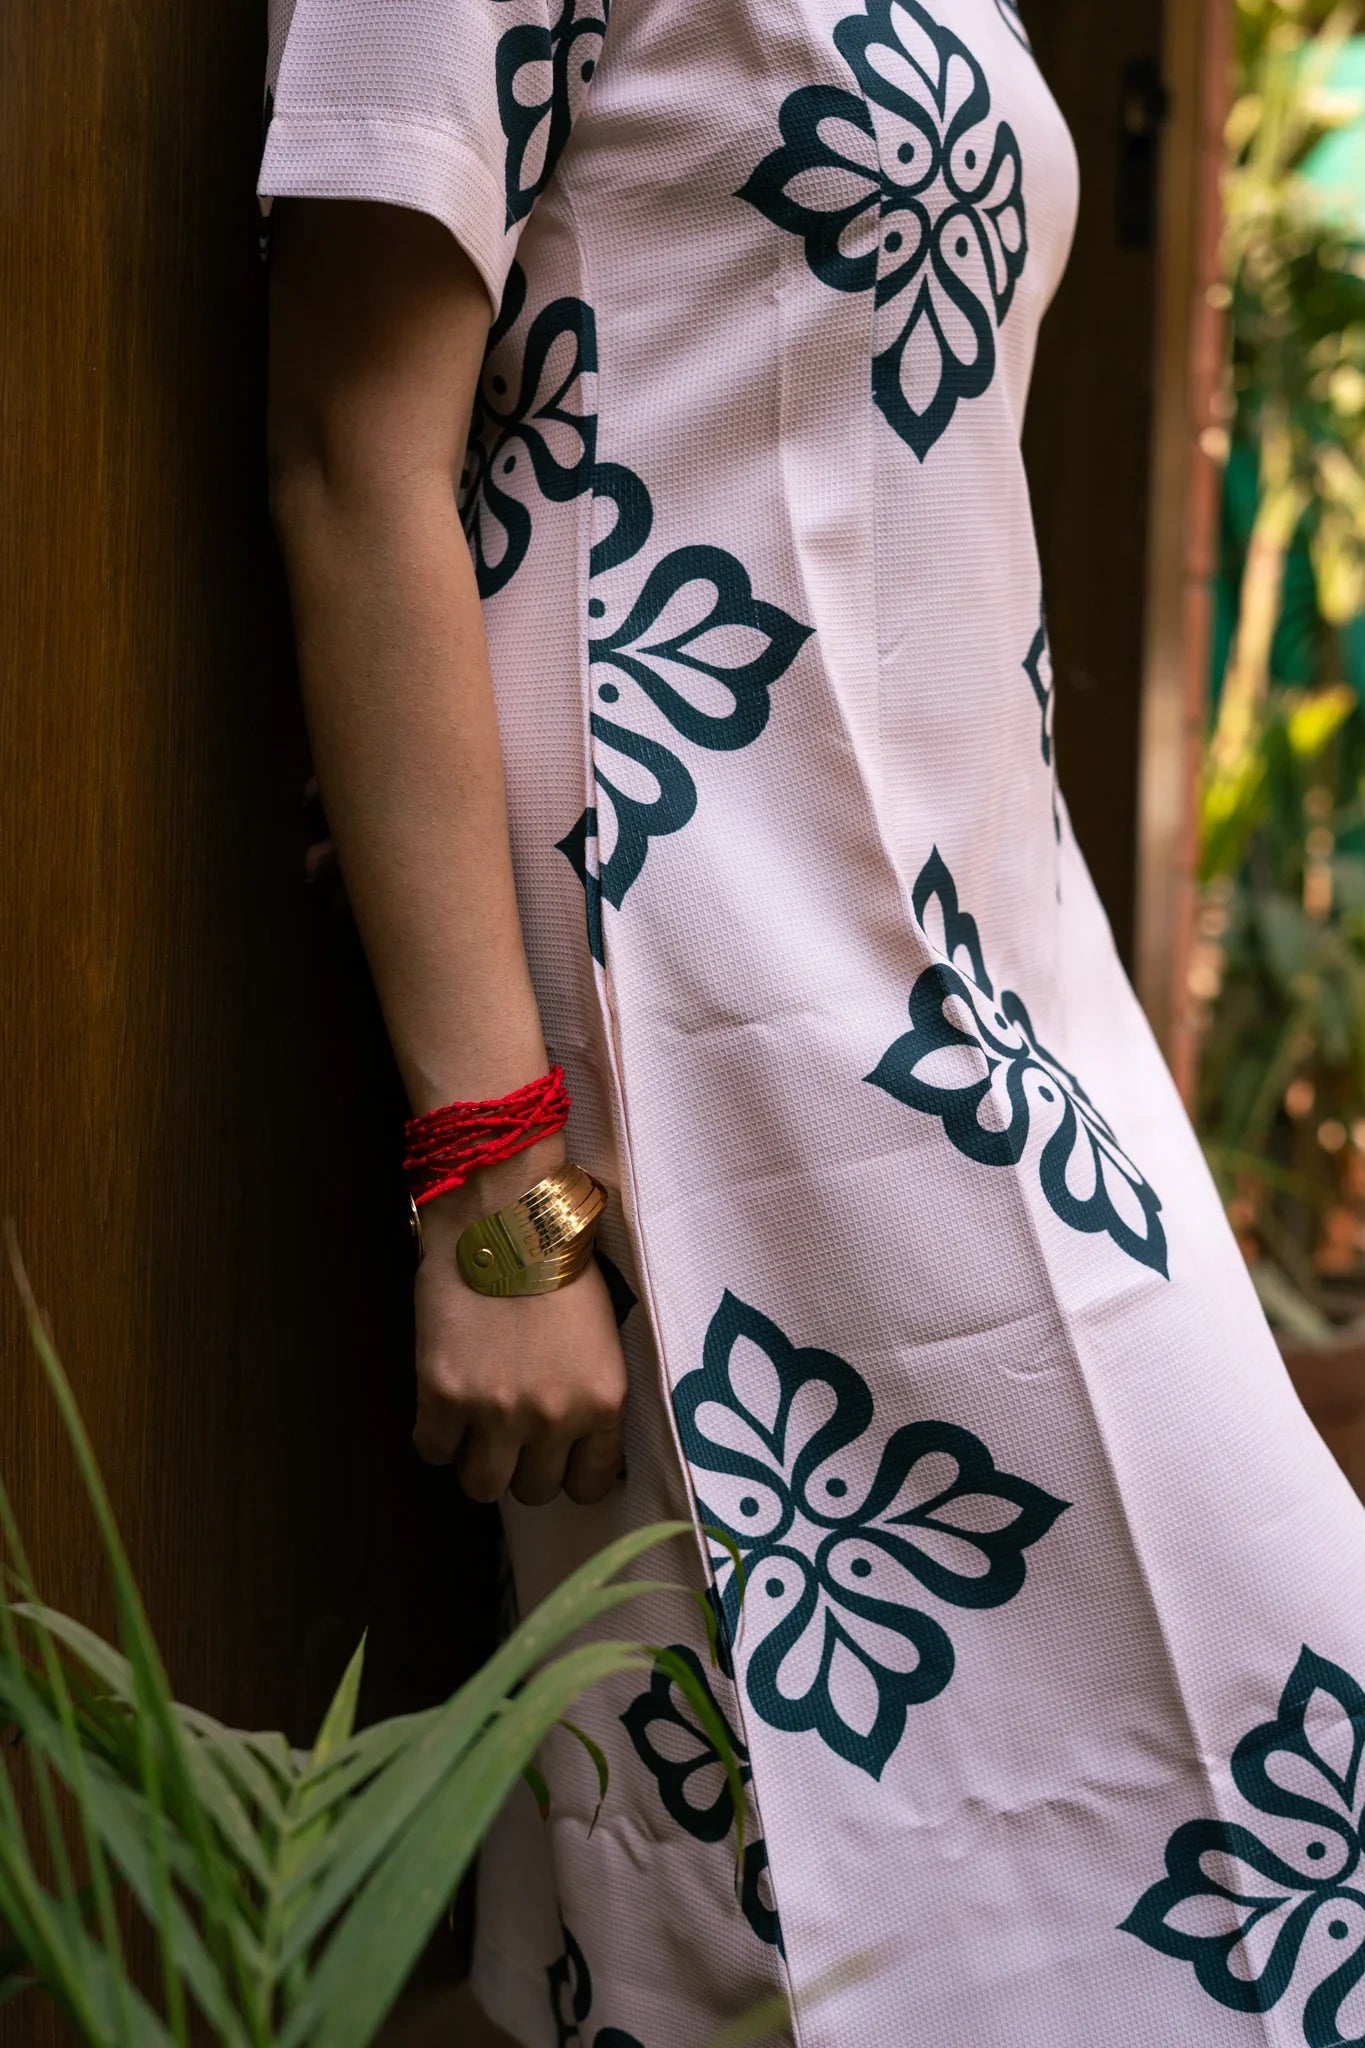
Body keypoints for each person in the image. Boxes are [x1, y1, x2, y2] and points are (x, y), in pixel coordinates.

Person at [257, 4, 1365, 2045]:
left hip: (983, 966)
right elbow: (352, 441)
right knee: (803, 1841)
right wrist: (492, 1180)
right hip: (704, 967)